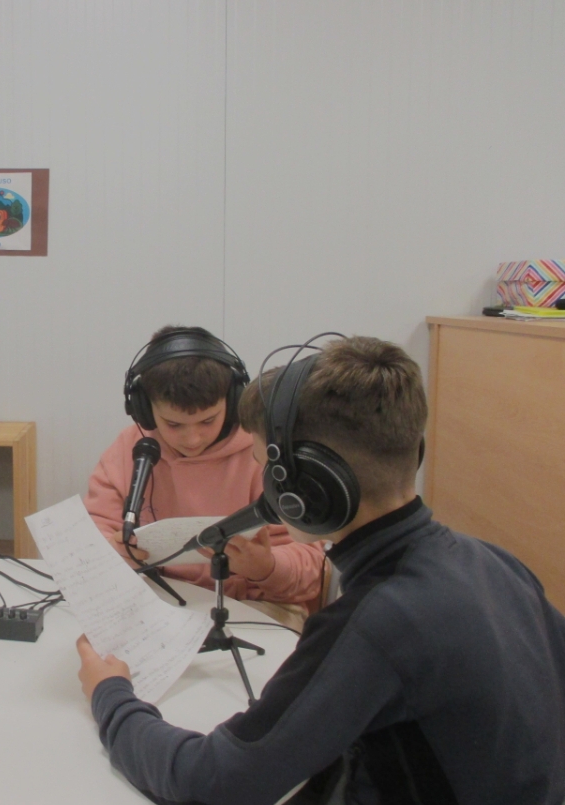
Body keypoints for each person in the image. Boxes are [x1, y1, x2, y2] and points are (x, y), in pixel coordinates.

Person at [76, 335, 565, 804]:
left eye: (266, 468)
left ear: (308, 486)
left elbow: (213, 782)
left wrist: (111, 696)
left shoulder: (375, 624)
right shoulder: (496, 563)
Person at [85, 326, 324, 609]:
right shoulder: (131, 449)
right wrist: (111, 554)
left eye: (208, 421)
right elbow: (94, 536)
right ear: (144, 410)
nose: (193, 439)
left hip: (253, 603)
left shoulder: (265, 453)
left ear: (233, 401)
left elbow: (311, 570)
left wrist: (266, 567)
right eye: (174, 424)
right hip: (157, 599)